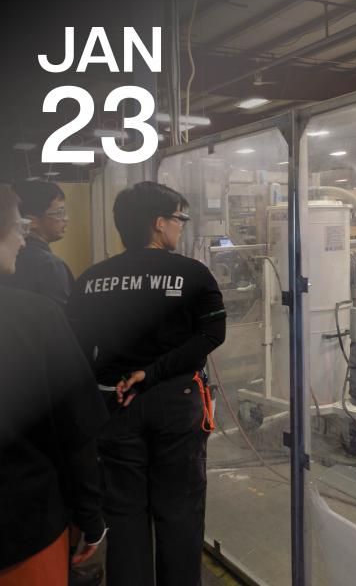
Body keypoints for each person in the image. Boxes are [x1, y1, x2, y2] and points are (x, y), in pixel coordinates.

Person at [67, 181, 227, 586]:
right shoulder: (194, 275)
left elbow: (78, 351)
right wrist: (154, 373)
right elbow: (211, 337)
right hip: (176, 404)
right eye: (178, 219)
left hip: (115, 405)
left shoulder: (90, 280)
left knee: (123, 514)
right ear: (159, 224)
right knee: (179, 513)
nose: (180, 227)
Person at [0, 183, 108, 585]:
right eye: (16, 227)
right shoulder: (36, 316)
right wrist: (90, 515)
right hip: (23, 522)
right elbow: (74, 429)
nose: (22, 240)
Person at [0, 181, 74, 308]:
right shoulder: (49, 264)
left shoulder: (9, 259)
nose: (65, 218)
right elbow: (61, 317)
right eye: (59, 212)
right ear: (32, 221)